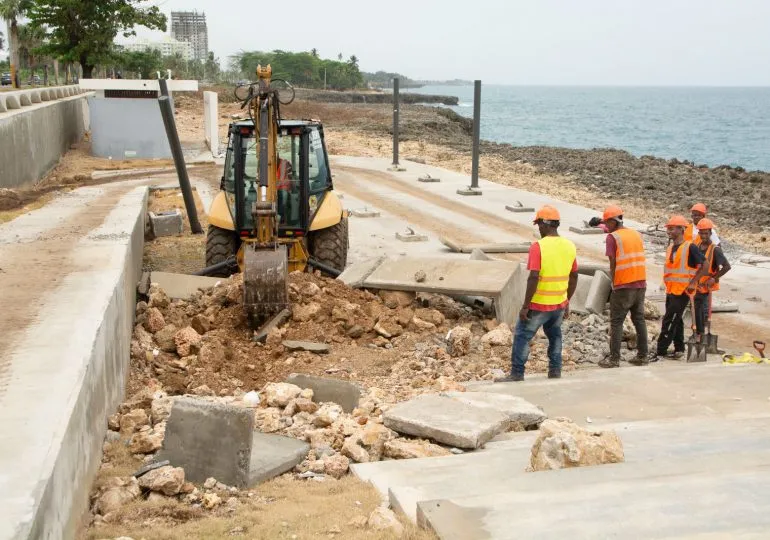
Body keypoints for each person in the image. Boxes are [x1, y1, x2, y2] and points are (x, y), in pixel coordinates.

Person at [497, 205, 578, 382]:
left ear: (545, 224)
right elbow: (573, 276)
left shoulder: (538, 247)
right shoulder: (570, 246)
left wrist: (526, 306)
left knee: (521, 336)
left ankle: (517, 373)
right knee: (555, 335)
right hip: (558, 304)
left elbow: (533, 277)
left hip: (539, 304)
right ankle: (555, 370)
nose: (538, 228)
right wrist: (566, 300)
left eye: (539, 224)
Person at [593, 206, 649, 368]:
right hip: (640, 282)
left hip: (624, 284)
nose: (606, 226)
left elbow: (613, 262)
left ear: (612, 221)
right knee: (639, 320)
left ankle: (614, 359)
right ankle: (642, 355)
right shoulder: (635, 234)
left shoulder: (613, 238)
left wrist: (614, 283)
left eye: (606, 223)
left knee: (616, 322)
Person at [652, 215, 709, 360]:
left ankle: (661, 349)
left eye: (671, 229)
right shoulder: (670, 247)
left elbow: (705, 265)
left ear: (681, 229)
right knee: (677, 320)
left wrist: (693, 283)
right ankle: (679, 348)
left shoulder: (690, 247)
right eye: (668, 229)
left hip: (683, 291)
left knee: (669, 320)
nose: (669, 232)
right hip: (671, 289)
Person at [693, 218, 731, 337]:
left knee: (699, 308)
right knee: (696, 308)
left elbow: (726, 266)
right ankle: (699, 332)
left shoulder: (715, 250)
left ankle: (700, 333)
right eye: (701, 233)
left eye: (706, 233)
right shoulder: (696, 246)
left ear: (710, 233)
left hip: (705, 285)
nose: (703, 235)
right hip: (696, 284)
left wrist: (714, 278)